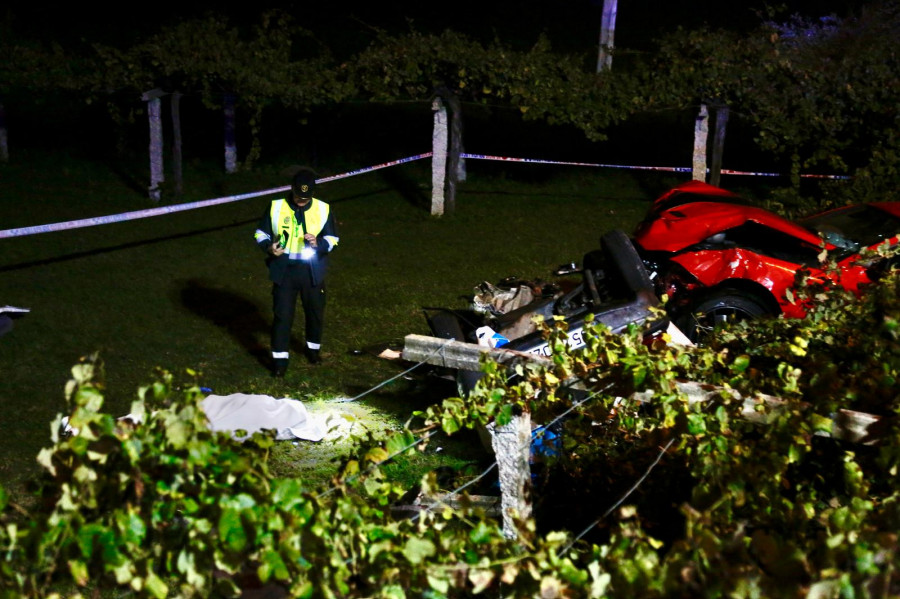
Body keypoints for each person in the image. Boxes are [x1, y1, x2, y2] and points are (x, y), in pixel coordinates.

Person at [253, 167, 339, 377]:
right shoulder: (276, 207)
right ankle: (279, 361)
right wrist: (269, 247)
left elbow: (333, 239)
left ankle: (312, 350)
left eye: (306, 197)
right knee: (282, 316)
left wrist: (318, 243)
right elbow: (260, 232)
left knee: (315, 312)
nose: (302, 201)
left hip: (312, 271)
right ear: (291, 189)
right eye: (299, 197)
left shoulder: (323, 209)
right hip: (285, 271)